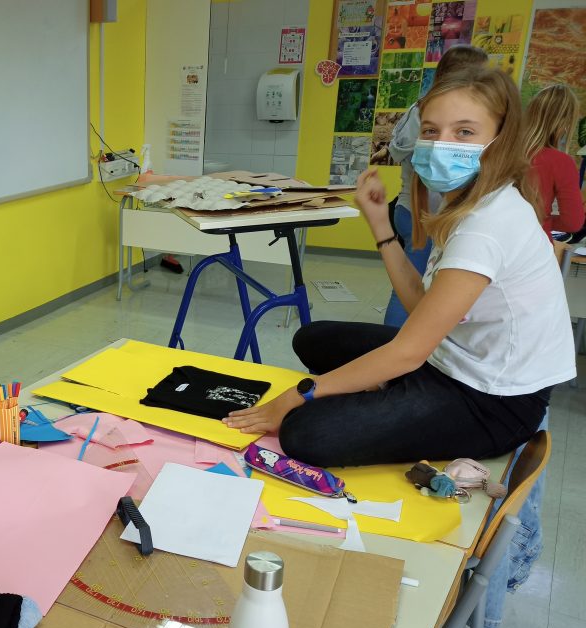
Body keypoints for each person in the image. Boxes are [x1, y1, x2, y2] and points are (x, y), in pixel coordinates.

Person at [223, 66, 576, 470]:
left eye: (464, 132)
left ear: (501, 139)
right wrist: (379, 222)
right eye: (431, 130)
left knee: (305, 433)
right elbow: (420, 306)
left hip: (492, 400)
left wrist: (300, 393)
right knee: (313, 339)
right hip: (449, 358)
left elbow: (409, 351)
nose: (441, 145)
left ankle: (390, 397)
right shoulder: (470, 201)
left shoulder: (487, 226)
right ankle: (388, 394)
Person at [383, 44, 489, 327]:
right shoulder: (434, 111)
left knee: (417, 284)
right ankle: (395, 340)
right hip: (423, 213)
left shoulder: (418, 110)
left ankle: (405, 340)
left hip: (415, 210)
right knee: (412, 286)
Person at [523, 84, 585, 239]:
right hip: (534, 243)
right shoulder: (561, 162)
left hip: (492, 242)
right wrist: (544, 221)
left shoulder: (501, 151)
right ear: (564, 123)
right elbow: (573, 222)